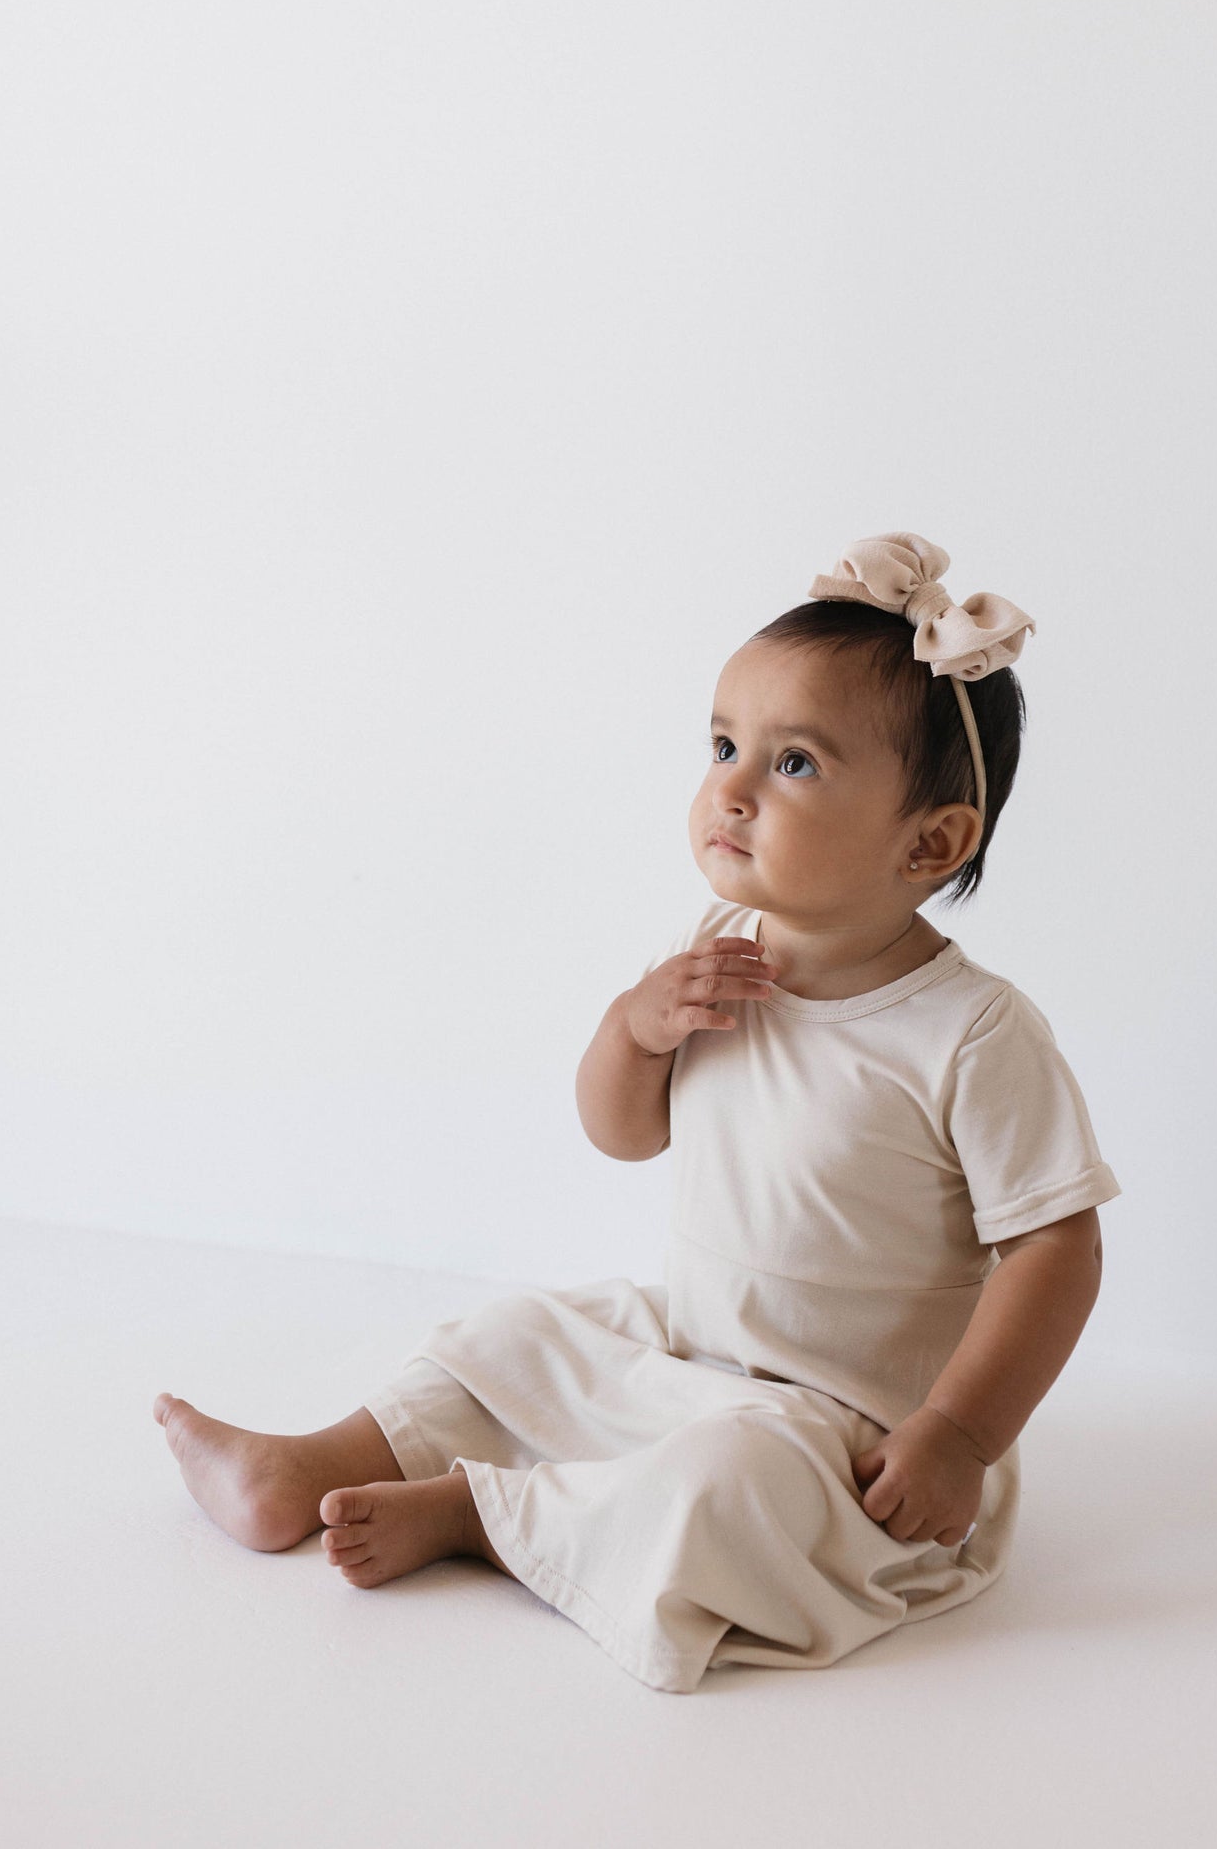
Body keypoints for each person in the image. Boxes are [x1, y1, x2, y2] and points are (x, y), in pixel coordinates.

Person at [155, 528, 1122, 1695]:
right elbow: (622, 1131)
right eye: (722, 744)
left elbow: (1053, 1247)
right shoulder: (716, 952)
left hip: (849, 1433)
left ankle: (480, 1515)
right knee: (522, 1336)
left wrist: (958, 1435)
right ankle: (311, 1462)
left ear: (929, 841)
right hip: (694, 1346)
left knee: (727, 1478)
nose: (729, 786)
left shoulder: (969, 1034)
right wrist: (634, 1029)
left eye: (793, 763)